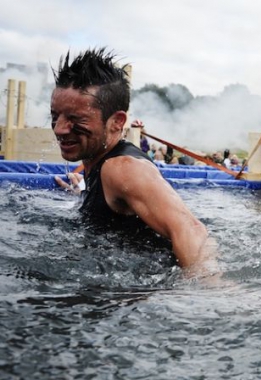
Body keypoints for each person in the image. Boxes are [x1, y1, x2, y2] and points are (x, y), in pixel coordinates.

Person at [51, 48, 217, 277]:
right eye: (54, 116)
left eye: (75, 119)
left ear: (116, 122)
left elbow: (193, 231)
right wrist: (82, 192)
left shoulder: (122, 169)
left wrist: (210, 295)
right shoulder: (102, 166)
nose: (59, 128)